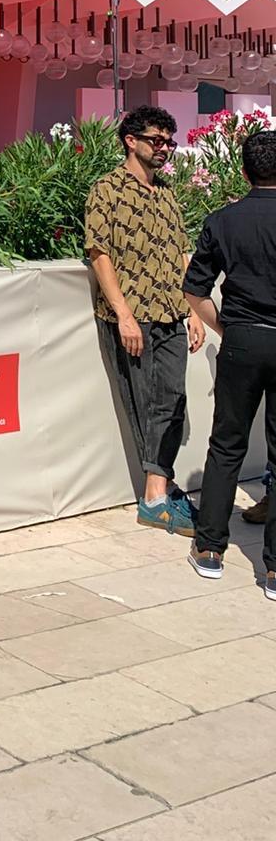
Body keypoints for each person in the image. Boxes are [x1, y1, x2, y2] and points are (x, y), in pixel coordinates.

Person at [85, 106, 205, 534]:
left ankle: (160, 489)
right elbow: (99, 253)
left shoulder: (167, 193)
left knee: (172, 399)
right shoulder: (106, 190)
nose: (164, 148)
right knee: (148, 402)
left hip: (171, 311)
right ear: (130, 140)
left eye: (169, 141)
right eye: (156, 140)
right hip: (133, 315)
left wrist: (193, 310)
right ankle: (155, 496)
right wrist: (123, 315)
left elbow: (181, 253)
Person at [183, 129, 276, 599]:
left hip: (241, 339)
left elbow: (194, 290)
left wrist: (225, 328)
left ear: (243, 171)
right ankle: (274, 571)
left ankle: (210, 549)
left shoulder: (223, 221)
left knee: (226, 444)